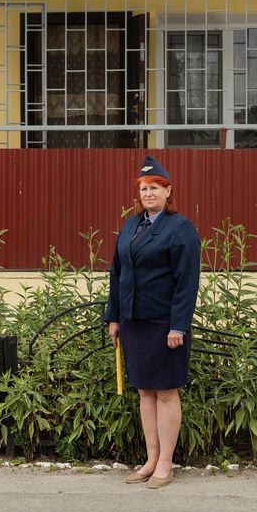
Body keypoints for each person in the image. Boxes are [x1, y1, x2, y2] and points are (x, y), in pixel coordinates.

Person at [105, 155, 200, 488]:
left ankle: (166, 463)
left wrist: (179, 325)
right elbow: (118, 272)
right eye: (144, 188)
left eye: (155, 188)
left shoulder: (180, 228)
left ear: (168, 191)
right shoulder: (131, 225)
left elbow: (187, 280)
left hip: (163, 323)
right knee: (145, 391)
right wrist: (114, 316)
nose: (148, 193)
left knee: (165, 392)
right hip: (133, 321)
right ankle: (150, 458)